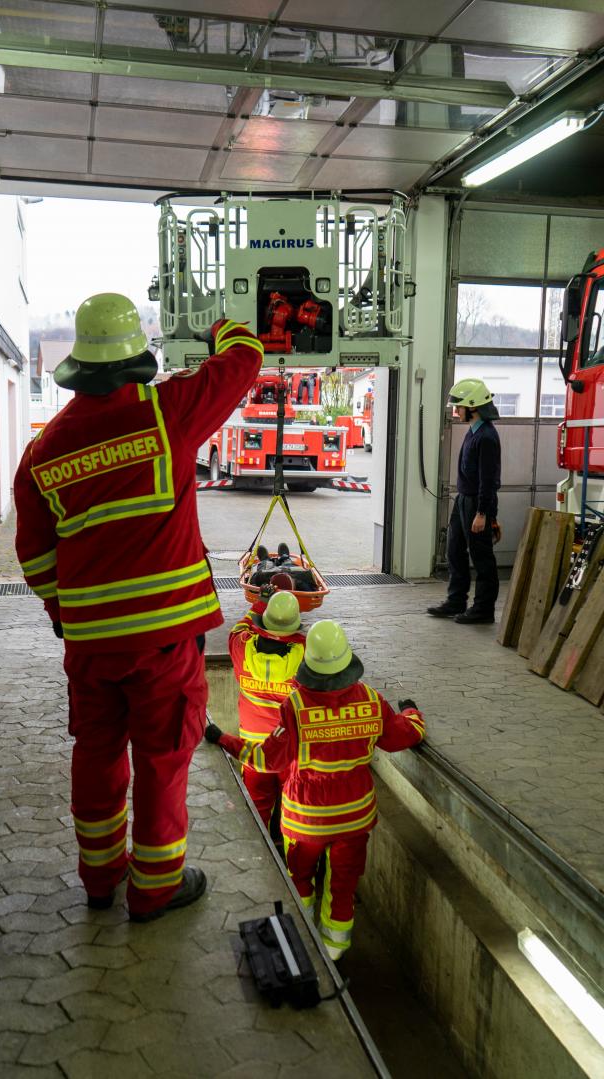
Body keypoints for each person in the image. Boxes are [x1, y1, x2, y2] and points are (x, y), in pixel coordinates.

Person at [14, 294, 263, 920]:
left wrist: (65, 616)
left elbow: (34, 555)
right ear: (134, 361)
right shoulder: (167, 413)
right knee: (162, 757)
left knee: (96, 754)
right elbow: (245, 359)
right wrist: (221, 323)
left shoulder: (43, 452)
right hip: (165, 642)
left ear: (79, 363)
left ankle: (100, 882)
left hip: (92, 646)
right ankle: (154, 889)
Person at [205, 620, 425, 961]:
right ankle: (335, 951)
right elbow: (402, 736)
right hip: (353, 820)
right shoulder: (370, 700)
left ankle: (302, 941)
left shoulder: (295, 707)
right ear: (347, 663)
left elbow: (265, 759)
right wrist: (412, 714)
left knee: (300, 877)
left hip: (305, 820)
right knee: (343, 885)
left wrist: (224, 739)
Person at [228, 587, 306, 830]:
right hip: (289, 749)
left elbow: (240, 627)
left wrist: (260, 603)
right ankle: (287, 852)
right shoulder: (304, 656)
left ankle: (261, 854)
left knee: (256, 807)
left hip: (254, 748)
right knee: (293, 807)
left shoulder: (241, 647)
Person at [428, 377, 501, 626]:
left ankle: (483, 610)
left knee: (481, 558)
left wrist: (483, 513)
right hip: (464, 501)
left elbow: (488, 480)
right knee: (454, 550)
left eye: (458, 406)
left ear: (473, 405)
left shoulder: (487, 437)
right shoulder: (474, 431)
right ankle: (456, 601)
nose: (455, 411)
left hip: (476, 504)